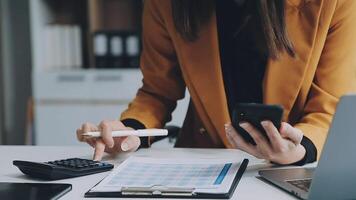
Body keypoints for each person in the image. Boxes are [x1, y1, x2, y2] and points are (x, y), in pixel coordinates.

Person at [77, 0, 356, 164]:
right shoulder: (167, 4)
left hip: (292, 167)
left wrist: (299, 150)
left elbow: (330, 106)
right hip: (205, 163)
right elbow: (157, 92)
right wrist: (130, 129)